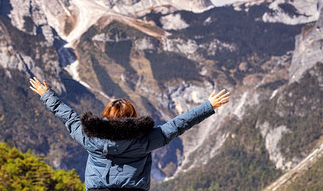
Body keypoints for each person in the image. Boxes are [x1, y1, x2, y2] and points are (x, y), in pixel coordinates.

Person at [30, 77, 230, 191]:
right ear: (133, 116)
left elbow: (69, 117)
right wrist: (208, 106)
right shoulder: (146, 140)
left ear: (106, 116)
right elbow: (178, 124)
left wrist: (46, 94)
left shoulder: (89, 137)